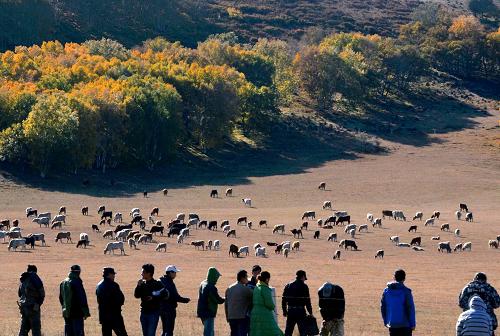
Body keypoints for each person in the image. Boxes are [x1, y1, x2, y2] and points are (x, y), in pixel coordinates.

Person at [134, 264, 169, 336]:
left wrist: (153, 297)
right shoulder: (142, 284)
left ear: (149, 273)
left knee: (150, 334)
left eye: (143, 272)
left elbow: (166, 295)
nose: (141, 274)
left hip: (153, 313)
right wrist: (138, 286)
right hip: (143, 313)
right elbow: (136, 296)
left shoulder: (157, 284)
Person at [380, 269, 416, 336]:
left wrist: (386, 321)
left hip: (392, 324)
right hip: (405, 325)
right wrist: (413, 324)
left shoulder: (386, 291)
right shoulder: (406, 291)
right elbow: (410, 308)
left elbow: (383, 307)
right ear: (404, 278)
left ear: (394, 278)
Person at [59, 265, 90, 336]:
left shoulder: (63, 282)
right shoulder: (76, 282)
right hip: (77, 313)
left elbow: (61, 298)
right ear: (78, 272)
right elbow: (81, 298)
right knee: (78, 333)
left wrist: (65, 308)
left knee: (69, 333)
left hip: (66, 312)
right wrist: (85, 312)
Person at [159, 265, 190, 336]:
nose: (176, 274)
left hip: (161, 309)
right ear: (170, 273)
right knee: (169, 331)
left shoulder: (161, 280)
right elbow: (175, 296)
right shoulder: (169, 283)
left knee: (164, 330)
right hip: (169, 309)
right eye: (175, 272)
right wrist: (185, 300)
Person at [96, 267, 128, 336]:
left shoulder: (99, 286)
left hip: (104, 316)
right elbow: (121, 299)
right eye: (113, 274)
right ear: (109, 275)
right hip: (115, 316)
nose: (114, 276)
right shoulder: (114, 285)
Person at [250, 271, 283, 336]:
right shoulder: (264, 288)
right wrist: (273, 307)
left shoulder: (256, 287)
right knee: (272, 332)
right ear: (267, 279)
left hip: (254, 313)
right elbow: (269, 303)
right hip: (264, 314)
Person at [282, 270, 313, 336]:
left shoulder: (288, 285)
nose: (304, 280)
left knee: (288, 332)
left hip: (291, 311)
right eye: (304, 278)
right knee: (303, 332)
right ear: (303, 277)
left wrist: (284, 310)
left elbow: (284, 299)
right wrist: (310, 312)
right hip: (300, 312)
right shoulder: (304, 286)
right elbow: (307, 301)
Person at [197, 267, 225, 336]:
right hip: (208, 312)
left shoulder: (203, 283)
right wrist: (225, 298)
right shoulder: (211, 287)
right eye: (217, 277)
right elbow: (218, 300)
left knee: (207, 331)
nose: (217, 279)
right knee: (209, 333)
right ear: (213, 276)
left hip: (201, 311)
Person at [18, 265, 45, 336]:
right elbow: (42, 294)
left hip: (23, 306)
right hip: (32, 307)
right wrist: (38, 304)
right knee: (36, 329)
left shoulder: (23, 278)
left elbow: (19, 294)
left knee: (23, 328)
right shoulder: (35, 277)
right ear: (35, 271)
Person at [225, 269, 254, 336]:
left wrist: (227, 316)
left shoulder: (229, 288)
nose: (247, 279)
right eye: (246, 277)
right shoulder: (245, 289)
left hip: (231, 316)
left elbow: (226, 304)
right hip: (241, 317)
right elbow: (253, 298)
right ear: (242, 278)